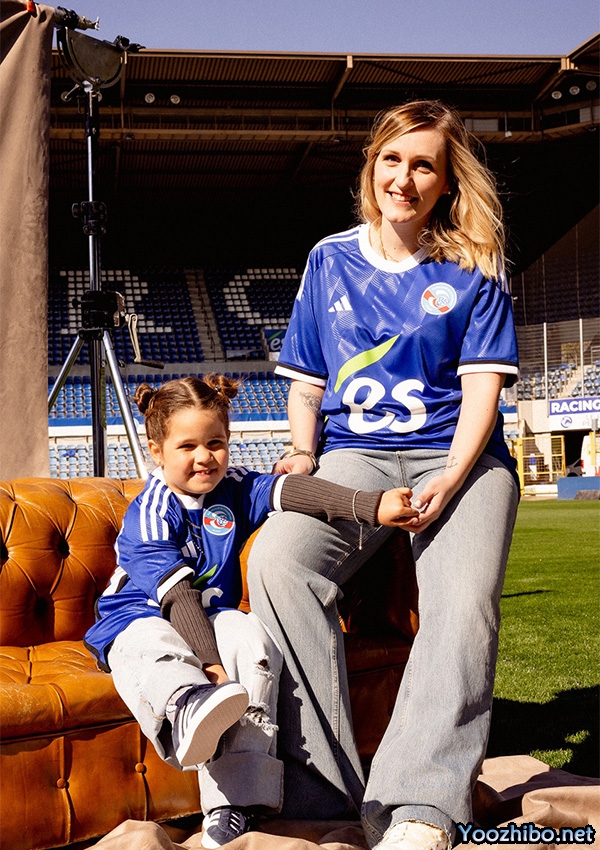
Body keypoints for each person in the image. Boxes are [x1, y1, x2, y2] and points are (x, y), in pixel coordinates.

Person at [247, 99, 520, 850]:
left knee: (462, 603)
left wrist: (453, 477)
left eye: (424, 165)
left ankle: (420, 804)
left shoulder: (474, 264)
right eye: (392, 159)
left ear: (446, 181)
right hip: (354, 457)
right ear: (372, 166)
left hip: (459, 456)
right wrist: (302, 451)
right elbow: (307, 380)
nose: (404, 178)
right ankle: (322, 788)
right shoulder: (328, 258)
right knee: (277, 562)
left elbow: (482, 392)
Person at [84, 374, 420, 849]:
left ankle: (233, 805)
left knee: (251, 636)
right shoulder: (152, 510)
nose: (205, 457)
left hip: (210, 617)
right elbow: (177, 597)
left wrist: (369, 504)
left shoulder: (234, 486)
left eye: (215, 443)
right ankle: (186, 705)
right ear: (156, 451)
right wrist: (210, 666)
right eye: (187, 446)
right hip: (140, 617)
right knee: (152, 644)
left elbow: (294, 492)